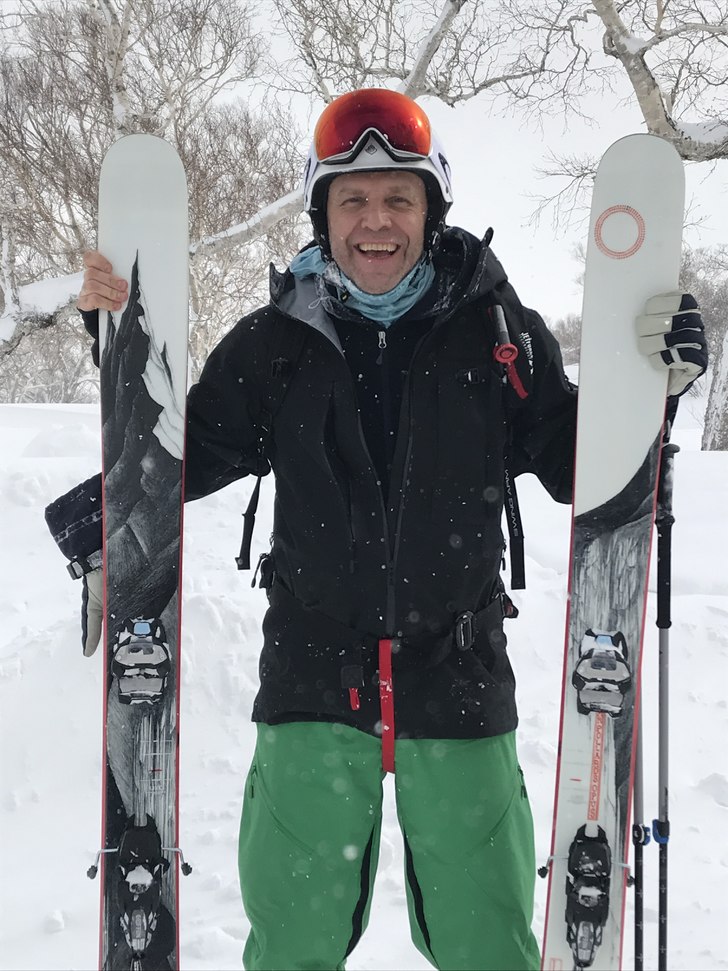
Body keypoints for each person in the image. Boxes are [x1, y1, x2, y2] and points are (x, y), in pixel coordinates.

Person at [46, 89, 707, 970]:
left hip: (458, 680)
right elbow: (179, 452)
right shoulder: (275, 342)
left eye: (399, 197)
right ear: (323, 216)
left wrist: (651, 386)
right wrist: (120, 361)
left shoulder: (497, 332)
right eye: (352, 199)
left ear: (432, 212)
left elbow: (575, 460)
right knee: (291, 945)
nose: (376, 220)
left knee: (489, 945)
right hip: (312, 683)